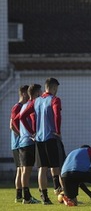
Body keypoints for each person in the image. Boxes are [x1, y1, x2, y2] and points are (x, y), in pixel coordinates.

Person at [20, 77, 65, 205]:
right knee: (55, 166)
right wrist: (58, 130)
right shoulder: (55, 100)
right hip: (51, 137)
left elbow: (22, 117)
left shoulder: (36, 101)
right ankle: (58, 189)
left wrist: (32, 132)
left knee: (42, 168)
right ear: (54, 88)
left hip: (39, 139)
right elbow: (57, 115)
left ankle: (44, 197)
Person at [13, 84, 42, 204]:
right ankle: (26, 197)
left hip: (23, 141)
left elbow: (16, 119)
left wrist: (22, 133)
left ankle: (25, 196)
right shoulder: (31, 105)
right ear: (36, 94)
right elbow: (20, 119)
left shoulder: (25, 105)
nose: (41, 95)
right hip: (28, 142)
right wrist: (31, 133)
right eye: (40, 93)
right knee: (26, 170)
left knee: (25, 170)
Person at [10, 85, 29, 203]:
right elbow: (12, 125)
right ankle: (21, 196)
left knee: (20, 170)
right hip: (18, 143)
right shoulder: (17, 107)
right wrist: (22, 134)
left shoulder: (22, 107)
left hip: (18, 143)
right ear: (23, 93)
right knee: (22, 169)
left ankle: (19, 196)